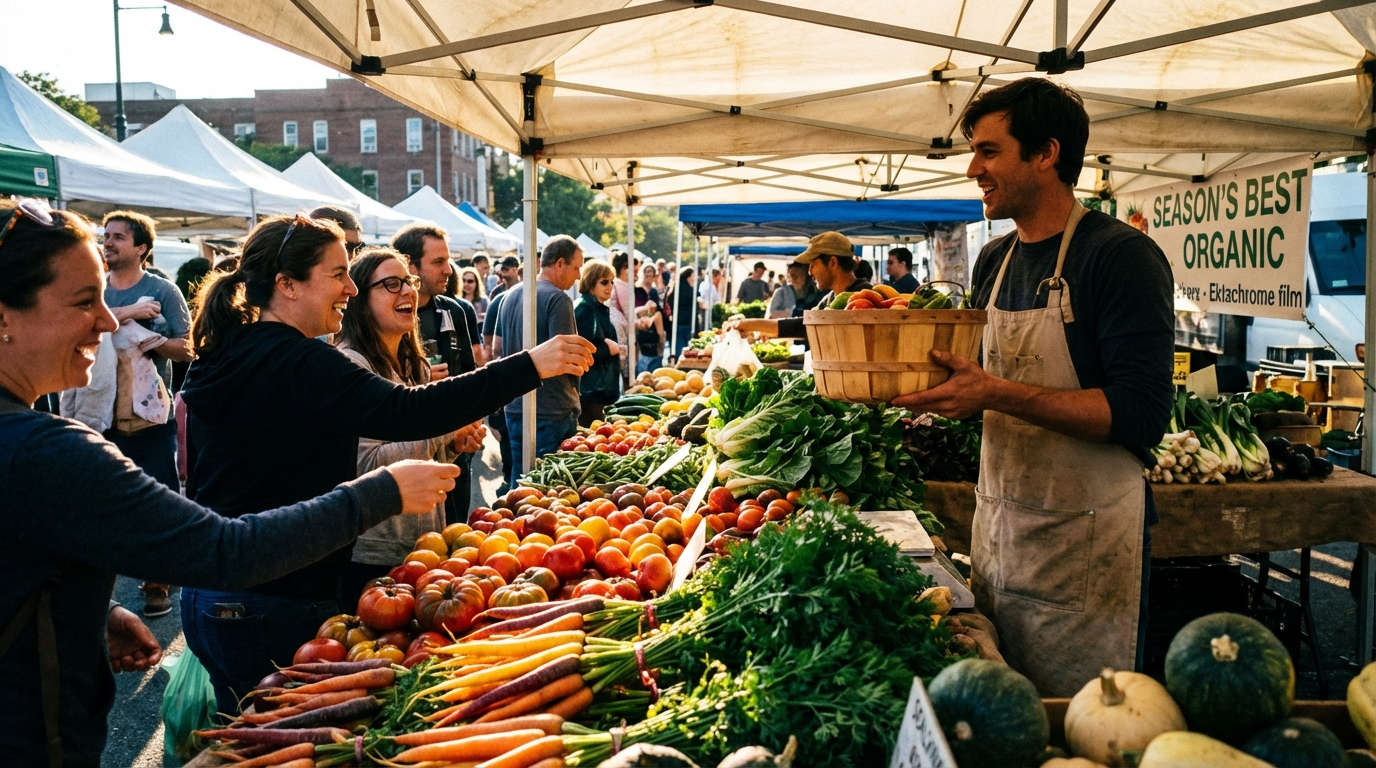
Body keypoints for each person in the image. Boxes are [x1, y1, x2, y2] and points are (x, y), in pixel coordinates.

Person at [0, 199, 462, 766]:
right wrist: (382, 491)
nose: (107, 319)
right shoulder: (44, 450)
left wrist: (85, 609)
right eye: (82, 301)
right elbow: (225, 549)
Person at [179, 215, 592, 714]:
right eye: (337, 275)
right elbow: (409, 411)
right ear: (286, 285)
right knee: (277, 734)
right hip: (274, 598)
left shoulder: (223, 354)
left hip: (211, 596)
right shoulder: (301, 362)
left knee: (242, 733)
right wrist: (532, 365)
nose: (350, 288)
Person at [892, 78, 1174, 696]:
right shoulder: (994, 261)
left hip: (1087, 543)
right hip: (1002, 529)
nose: (974, 168)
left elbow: (1140, 413)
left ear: (1046, 154)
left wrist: (993, 393)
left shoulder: (1119, 257)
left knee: (1079, 727)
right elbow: (985, 387)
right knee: (999, 717)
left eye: (990, 151)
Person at [335, 249, 486, 604]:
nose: (407, 291)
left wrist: (453, 443)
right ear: (359, 295)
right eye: (391, 284)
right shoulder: (351, 365)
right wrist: (446, 426)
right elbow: (365, 462)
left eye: (409, 281)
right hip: (372, 552)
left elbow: (418, 444)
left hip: (421, 543)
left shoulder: (412, 362)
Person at [99, 210, 195, 618]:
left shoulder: (162, 290)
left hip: (150, 417)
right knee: (102, 503)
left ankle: (158, 583)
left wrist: (147, 340)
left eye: (118, 237)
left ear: (141, 248)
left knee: (157, 499)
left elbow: (188, 347)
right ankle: (103, 596)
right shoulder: (95, 289)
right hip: (100, 414)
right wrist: (124, 318)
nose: (108, 242)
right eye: (106, 236)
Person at [392, 225, 485, 524]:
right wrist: (419, 380)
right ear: (410, 264)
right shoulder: (386, 315)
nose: (449, 270)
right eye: (438, 262)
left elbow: (470, 375)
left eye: (448, 260)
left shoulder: (454, 310)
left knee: (456, 529)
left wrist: (472, 423)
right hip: (410, 454)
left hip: (456, 450)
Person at [495, 235, 585, 487]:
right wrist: (574, 392)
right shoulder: (558, 299)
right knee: (548, 488)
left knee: (519, 479)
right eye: (576, 267)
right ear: (559, 263)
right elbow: (568, 358)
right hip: (552, 409)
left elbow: (500, 349)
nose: (578, 276)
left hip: (516, 406)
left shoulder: (510, 295)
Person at [730, 231, 869, 339]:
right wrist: (749, 325)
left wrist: (751, 325)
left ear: (832, 262)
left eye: (813, 264)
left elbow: (802, 327)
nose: (810, 271)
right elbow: (803, 324)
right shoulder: (830, 298)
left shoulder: (866, 295)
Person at [574, 259, 622, 426]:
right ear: (590, 282)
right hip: (591, 391)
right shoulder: (586, 309)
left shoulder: (596, 306)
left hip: (598, 390)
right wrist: (610, 349)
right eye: (604, 282)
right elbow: (581, 350)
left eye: (611, 281)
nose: (610, 286)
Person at [635, 263, 666, 373]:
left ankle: (658, 360)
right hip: (639, 322)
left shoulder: (654, 291)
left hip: (653, 324)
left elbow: (658, 307)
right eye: (646, 271)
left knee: (659, 338)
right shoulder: (637, 288)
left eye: (650, 272)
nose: (648, 274)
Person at [673, 267, 698, 353]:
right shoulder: (688, 290)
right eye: (693, 276)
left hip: (678, 322)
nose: (695, 278)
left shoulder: (675, 288)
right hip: (686, 322)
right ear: (688, 277)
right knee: (685, 350)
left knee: (679, 348)